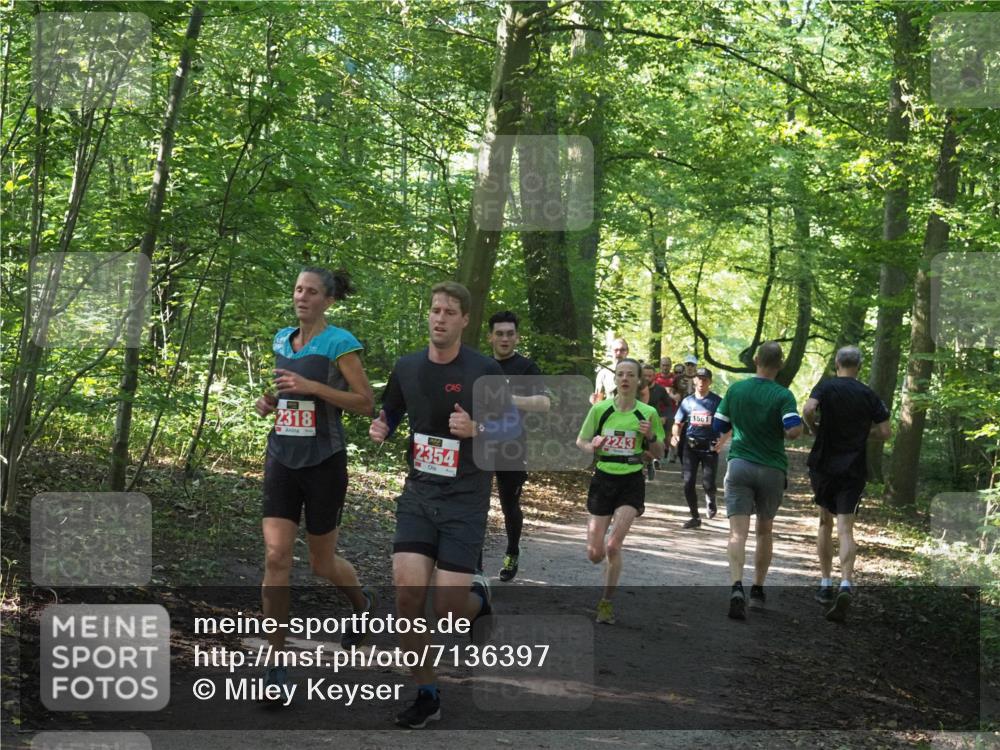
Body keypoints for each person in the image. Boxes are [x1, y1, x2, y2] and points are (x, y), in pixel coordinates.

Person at [369, 281, 517, 728]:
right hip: (419, 494)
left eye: (450, 312)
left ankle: (480, 597)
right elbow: (391, 410)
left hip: (465, 499)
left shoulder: (484, 369)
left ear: (465, 320)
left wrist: (477, 430)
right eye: (435, 310)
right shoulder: (407, 366)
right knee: (408, 592)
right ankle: (428, 693)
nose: (440, 318)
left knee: (449, 609)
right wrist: (382, 426)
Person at [254, 268, 376, 692]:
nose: (302, 297)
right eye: (298, 289)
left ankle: (361, 604)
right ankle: (275, 662)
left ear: (328, 300)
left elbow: (365, 404)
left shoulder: (340, 343)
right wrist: (269, 400)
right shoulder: (280, 339)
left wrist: (313, 386)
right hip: (282, 458)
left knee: (321, 564)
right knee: (276, 559)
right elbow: (284, 392)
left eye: (311, 292)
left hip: (323, 461)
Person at [712, 342, 802, 620]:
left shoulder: (736, 390)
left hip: (739, 465)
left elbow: (718, 425)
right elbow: (794, 431)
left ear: (755, 359)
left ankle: (736, 585)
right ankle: (758, 591)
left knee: (738, 532)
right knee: (764, 530)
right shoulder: (783, 395)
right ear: (781, 364)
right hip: (772, 469)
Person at [802, 346, 890, 622]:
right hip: (853, 467)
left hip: (825, 464)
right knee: (846, 528)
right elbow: (885, 432)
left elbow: (808, 409)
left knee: (824, 524)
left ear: (837, 363)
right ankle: (847, 584)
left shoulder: (826, 387)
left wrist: (816, 429)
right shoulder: (868, 394)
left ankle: (825, 583)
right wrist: (862, 435)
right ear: (859, 366)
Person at [576, 358, 665, 625]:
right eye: (620, 374)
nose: (625, 378)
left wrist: (650, 437)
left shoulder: (647, 413)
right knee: (595, 553)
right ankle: (601, 557)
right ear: (615, 379)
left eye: (630, 375)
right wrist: (592, 446)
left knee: (613, 545)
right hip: (603, 478)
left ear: (639, 381)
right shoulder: (601, 409)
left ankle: (606, 603)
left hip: (631, 480)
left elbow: (660, 452)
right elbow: (581, 441)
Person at [484, 310, 550, 582]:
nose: (504, 338)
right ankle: (472, 562)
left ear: (517, 337)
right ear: (490, 337)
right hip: (479, 443)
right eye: (499, 333)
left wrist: (509, 399)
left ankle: (511, 551)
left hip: (512, 445)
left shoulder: (526, 368)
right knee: (475, 501)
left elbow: (544, 403)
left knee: (509, 502)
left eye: (510, 334)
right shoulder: (480, 365)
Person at [672, 368, 728, 528]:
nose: (702, 382)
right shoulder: (687, 401)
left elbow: (729, 426)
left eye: (705, 379)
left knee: (708, 483)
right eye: (699, 379)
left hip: (710, 448)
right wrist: (675, 436)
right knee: (688, 482)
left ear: (710, 382)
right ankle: (695, 517)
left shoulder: (717, 401)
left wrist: (722, 442)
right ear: (694, 380)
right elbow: (678, 423)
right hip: (690, 447)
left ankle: (711, 499)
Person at [592, 338, 629, 403]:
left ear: (627, 351)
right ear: (611, 351)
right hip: (610, 411)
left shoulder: (636, 371)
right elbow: (598, 398)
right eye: (616, 350)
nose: (618, 353)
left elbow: (644, 393)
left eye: (622, 350)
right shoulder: (603, 373)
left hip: (631, 411)